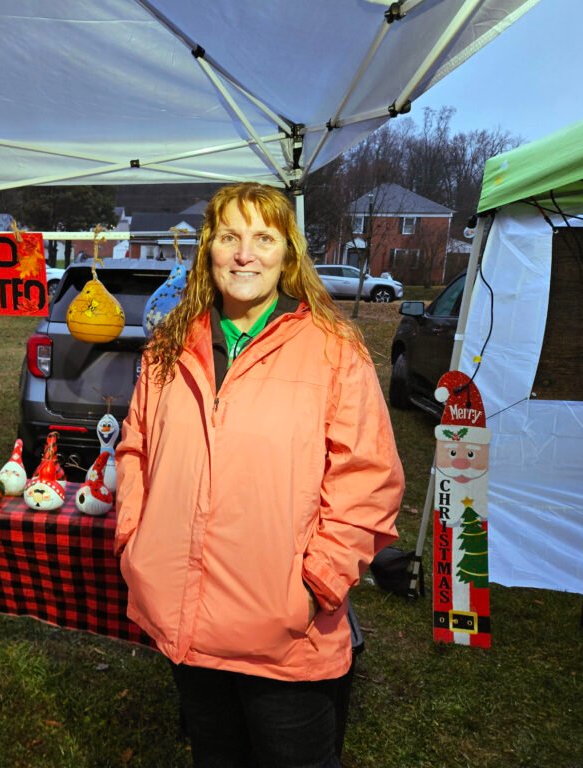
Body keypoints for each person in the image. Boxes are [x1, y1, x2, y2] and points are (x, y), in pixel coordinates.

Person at [114, 182, 404, 767]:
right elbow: (136, 452)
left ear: (287, 254)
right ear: (209, 250)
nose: (245, 253)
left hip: (286, 638)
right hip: (188, 625)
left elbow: (368, 480)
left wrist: (315, 586)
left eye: (263, 238)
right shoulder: (169, 348)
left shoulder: (332, 350)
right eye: (229, 237)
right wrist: (134, 547)